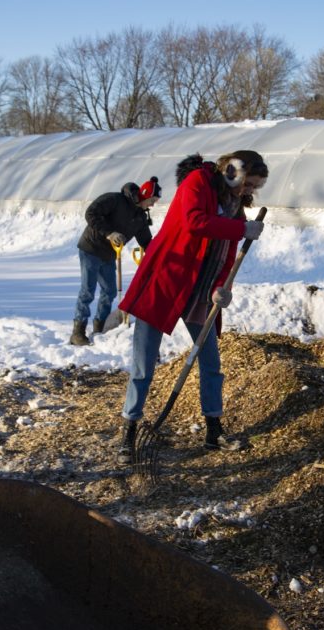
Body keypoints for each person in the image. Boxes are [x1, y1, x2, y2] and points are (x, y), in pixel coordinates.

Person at [115, 151, 267, 463]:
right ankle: (128, 432)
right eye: (250, 183)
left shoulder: (235, 206)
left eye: (255, 187)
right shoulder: (197, 182)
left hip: (201, 291)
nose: (251, 191)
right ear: (235, 173)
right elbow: (195, 222)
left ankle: (214, 430)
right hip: (167, 281)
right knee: (144, 364)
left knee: (210, 360)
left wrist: (221, 288)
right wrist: (242, 230)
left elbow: (227, 255)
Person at [70, 177, 159, 345]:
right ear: (145, 195)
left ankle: (99, 328)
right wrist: (109, 233)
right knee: (88, 290)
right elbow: (91, 213)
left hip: (109, 254)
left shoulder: (140, 217)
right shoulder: (115, 200)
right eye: (152, 200)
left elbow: (147, 241)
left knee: (110, 291)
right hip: (91, 247)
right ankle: (78, 332)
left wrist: (159, 255)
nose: (153, 205)